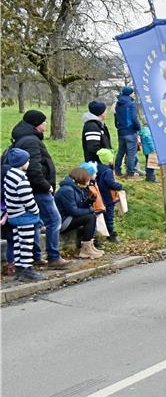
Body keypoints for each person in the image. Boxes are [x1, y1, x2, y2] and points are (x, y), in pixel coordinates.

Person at [9, 110, 67, 269]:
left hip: (31, 188)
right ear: (36, 124)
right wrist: (46, 185)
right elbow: (34, 168)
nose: (46, 124)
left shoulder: (25, 138)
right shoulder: (31, 141)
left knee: (35, 222)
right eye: (44, 121)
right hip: (38, 189)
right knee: (54, 220)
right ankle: (54, 256)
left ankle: (35, 256)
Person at [3, 148, 44, 282]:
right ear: (22, 163)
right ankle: (27, 269)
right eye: (27, 160)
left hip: (13, 214)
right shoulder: (21, 180)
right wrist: (36, 210)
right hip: (24, 215)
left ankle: (19, 268)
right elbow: (28, 199)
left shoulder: (9, 175)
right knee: (26, 243)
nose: (29, 162)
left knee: (17, 243)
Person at [54, 167, 102, 259]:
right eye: (87, 180)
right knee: (90, 218)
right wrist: (90, 210)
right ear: (81, 178)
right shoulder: (67, 190)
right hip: (62, 221)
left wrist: (88, 202)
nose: (88, 182)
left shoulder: (76, 188)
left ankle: (90, 245)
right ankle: (85, 250)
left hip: (69, 217)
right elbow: (74, 211)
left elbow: (78, 206)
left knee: (91, 216)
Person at [93, 148, 123, 242]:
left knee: (101, 214)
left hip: (99, 195)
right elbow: (110, 183)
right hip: (108, 196)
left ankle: (101, 233)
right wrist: (119, 186)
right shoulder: (108, 171)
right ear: (109, 160)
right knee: (109, 216)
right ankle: (111, 234)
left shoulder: (97, 168)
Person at [113, 86, 142, 177]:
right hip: (130, 131)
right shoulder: (131, 104)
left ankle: (117, 171)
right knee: (131, 154)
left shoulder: (118, 103)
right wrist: (138, 127)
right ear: (130, 93)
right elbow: (134, 118)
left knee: (120, 152)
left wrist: (118, 126)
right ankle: (130, 173)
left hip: (121, 131)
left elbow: (116, 117)